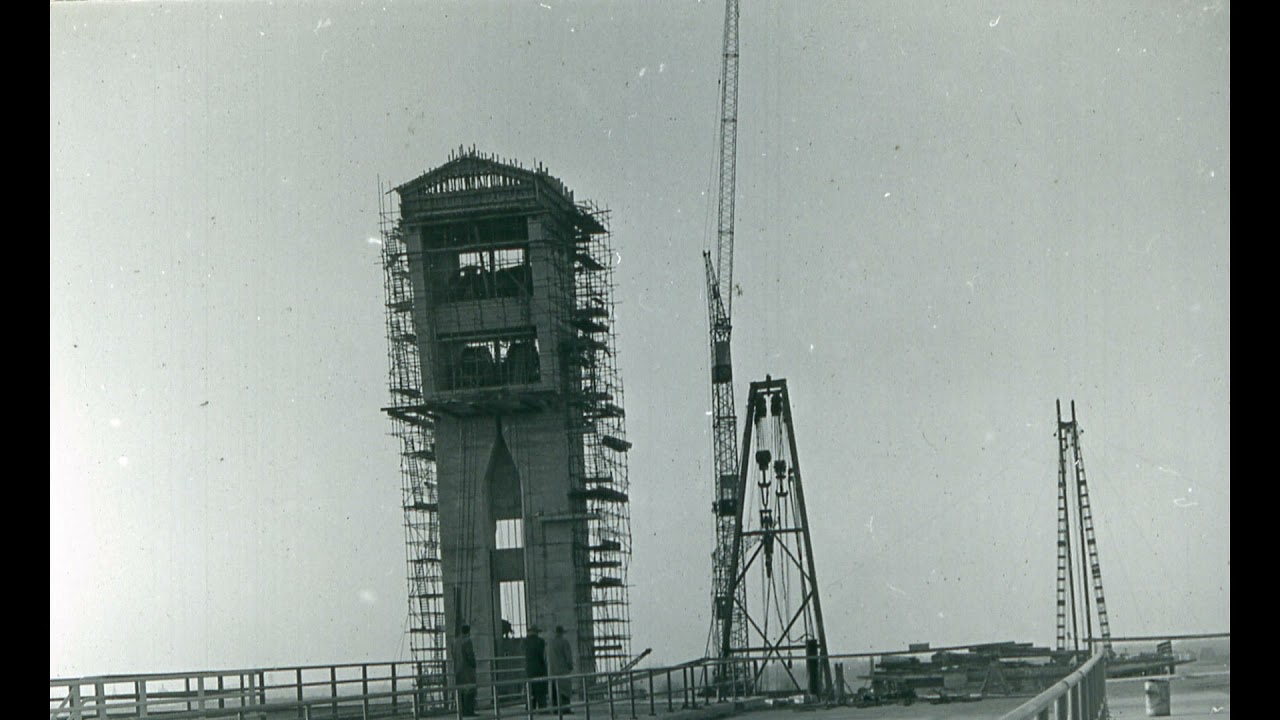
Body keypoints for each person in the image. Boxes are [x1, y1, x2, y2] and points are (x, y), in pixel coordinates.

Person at [548, 625, 574, 714]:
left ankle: (556, 709)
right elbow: (568, 657)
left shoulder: (550, 643)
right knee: (565, 691)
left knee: (555, 691)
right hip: (563, 670)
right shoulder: (564, 642)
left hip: (553, 671)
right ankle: (565, 709)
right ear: (562, 633)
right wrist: (570, 666)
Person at [454, 624, 478, 716]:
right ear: (468, 632)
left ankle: (462, 710)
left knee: (461, 691)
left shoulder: (456, 642)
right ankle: (469, 711)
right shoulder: (468, 641)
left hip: (458, 670)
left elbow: (453, 654)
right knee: (470, 690)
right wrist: (474, 664)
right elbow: (470, 655)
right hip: (467, 670)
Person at [524, 625, 548, 710]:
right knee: (540, 690)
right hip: (539, 668)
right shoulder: (540, 641)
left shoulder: (525, 642)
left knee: (530, 689)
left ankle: (530, 707)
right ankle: (542, 707)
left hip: (529, 669)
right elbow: (542, 656)